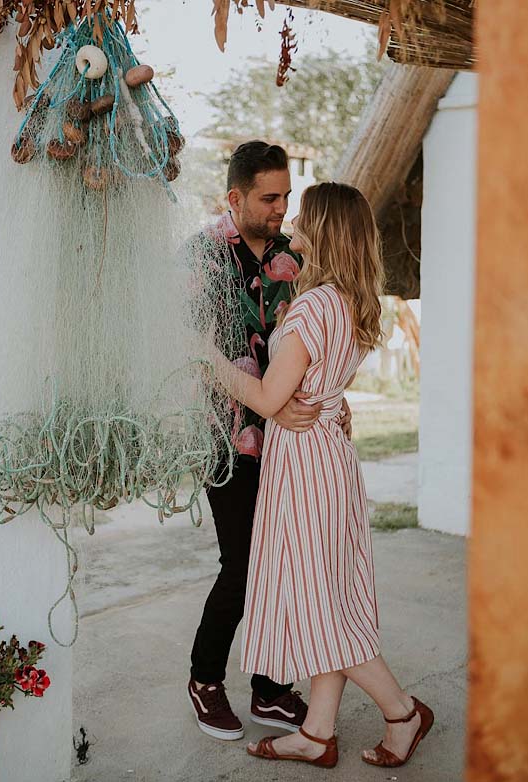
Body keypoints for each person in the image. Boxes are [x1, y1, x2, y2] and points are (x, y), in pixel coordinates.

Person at [204, 182, 433, 769]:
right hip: (327, 456)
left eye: (305, 210)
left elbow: (265, 392)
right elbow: (315, 389)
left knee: (319, 607)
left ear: (325, 229)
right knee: (326, 598)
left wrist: (205, 357)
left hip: (304, 465)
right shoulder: (350, 300)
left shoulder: (313, 305)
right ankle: (316, 732)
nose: (292, 216)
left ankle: (402, 712)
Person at [187, 141, 354, 741]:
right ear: (234, 198)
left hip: (291, 447)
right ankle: (205, 679)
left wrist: (334, 402)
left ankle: (268, 688)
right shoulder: (200, 258)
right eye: (269, 197)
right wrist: (271, 407)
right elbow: (192, 351)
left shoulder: (291, 254)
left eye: (286, 195)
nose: (282, 207)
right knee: (240, 564)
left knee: (279, 564)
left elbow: (312, 342)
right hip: (227, 438)